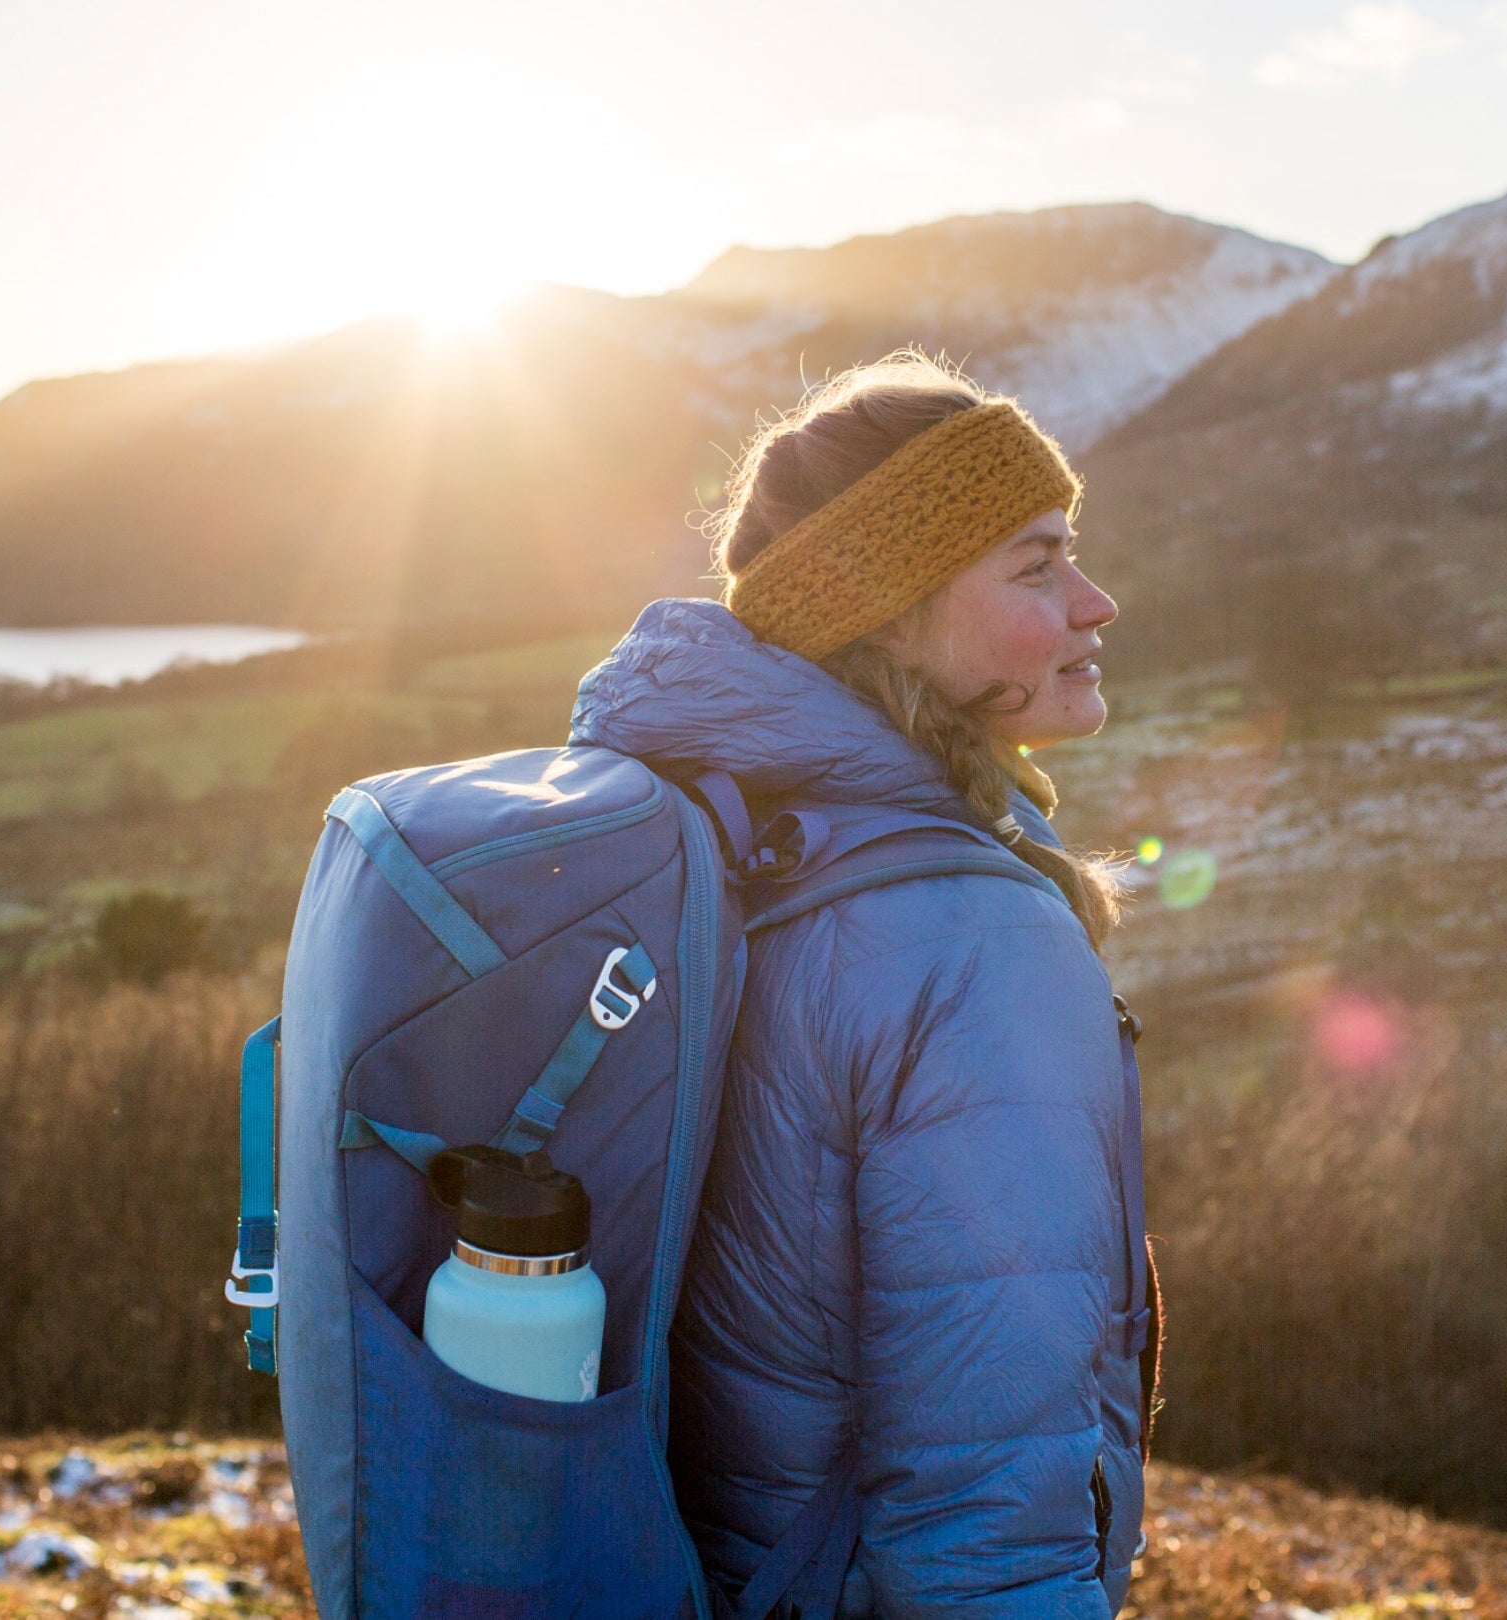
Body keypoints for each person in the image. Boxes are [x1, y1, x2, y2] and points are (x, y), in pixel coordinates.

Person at [567, 351, 1154, 1617]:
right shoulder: (971, 940)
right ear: (887, 613)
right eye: (1037, 567)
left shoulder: (736, 835)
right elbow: (988, 1503)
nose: (1096, 603)